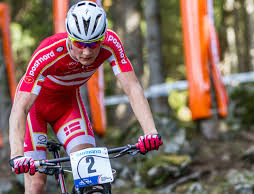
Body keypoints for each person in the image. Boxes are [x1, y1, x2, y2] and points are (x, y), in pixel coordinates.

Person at [9, 1, 163, 194]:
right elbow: (20, 107)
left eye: (93, 44)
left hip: (67, 107)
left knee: (93, 180)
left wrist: (150, 132)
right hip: (35, 111)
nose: (87, 52)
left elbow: (132, 88)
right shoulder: (48, 53)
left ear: (102, 38)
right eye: (80, 44)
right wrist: (17, 155)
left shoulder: (111, 42)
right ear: (69, 37)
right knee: (37, 185)